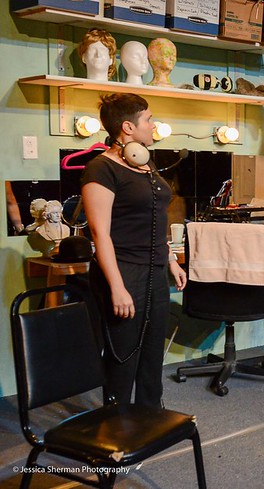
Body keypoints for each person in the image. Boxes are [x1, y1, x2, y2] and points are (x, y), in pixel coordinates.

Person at [81, 93, 187, 408]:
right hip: (124, 272)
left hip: (155, 272)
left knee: (153, 351)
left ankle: (149, 417)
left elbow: (154, 219)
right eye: (149, 119)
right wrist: (117, 287)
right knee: (124, 353)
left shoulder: (145, 164)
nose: (154, 125)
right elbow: (100, 234)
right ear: (128, 126)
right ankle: (116, 425)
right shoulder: (100, 169)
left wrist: (170, 260)